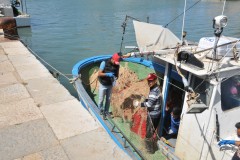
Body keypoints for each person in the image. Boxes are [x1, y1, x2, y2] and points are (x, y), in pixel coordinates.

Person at [140, 73, 162, 154]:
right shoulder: (157, 88)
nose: (149, 82)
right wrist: (146, 100)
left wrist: (140, 104)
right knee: (151, 131)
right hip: (157, 113)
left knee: (149, 133)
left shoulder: (153, 91)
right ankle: (150, 147)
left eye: (151, 81)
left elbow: (149, 104)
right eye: (148, 81)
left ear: (155, 80)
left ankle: (150, 150)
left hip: (153, 115)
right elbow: (153, 100)